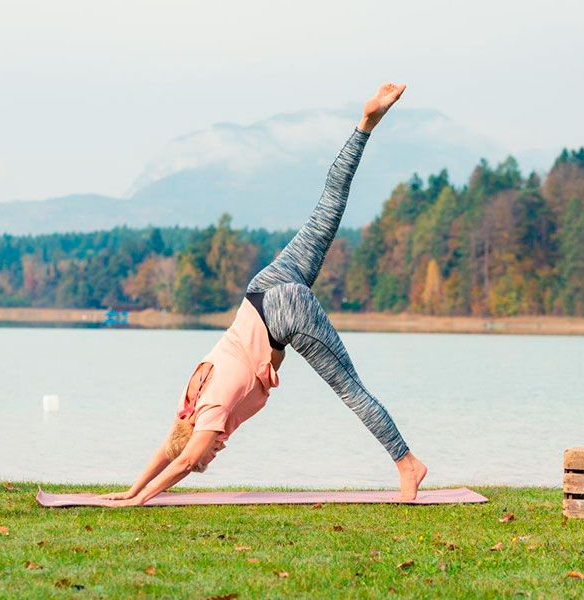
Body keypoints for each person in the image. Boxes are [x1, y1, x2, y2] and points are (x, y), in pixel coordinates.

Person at [100, 83, 427, 506]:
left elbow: (183, 461)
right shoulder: (191, 403)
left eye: (210, 456)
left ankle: (407, 464)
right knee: (326, 208)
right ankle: (365, 124)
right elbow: (171, 449)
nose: (216, 453)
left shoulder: (211, 416)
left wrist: (140, 501)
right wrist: (131, 487)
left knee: (351, 389)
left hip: (283, 314)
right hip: (262, 288)